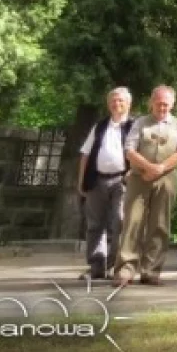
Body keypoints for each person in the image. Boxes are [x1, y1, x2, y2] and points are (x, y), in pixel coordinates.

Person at [113, 86, 177, 287]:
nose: (162, 107)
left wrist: (161, 167)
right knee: (132, 223)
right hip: (139, 177)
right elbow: (129, 149)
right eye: (159, 103)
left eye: (166, 104)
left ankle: (151, 271)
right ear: (151, 103)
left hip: (166, 179)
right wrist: (147, 167)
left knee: (160, 224)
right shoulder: (140, 123)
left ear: (172, 104)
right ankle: (125, 271)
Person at [77, 87, 133, 280]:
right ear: (108, 104)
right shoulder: (100, 126)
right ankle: (96, 266)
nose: (116, 104)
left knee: (119, 221)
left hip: (122, 180)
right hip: (97, 178)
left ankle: (115, 266)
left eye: (120, 101)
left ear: (128, 103)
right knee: (94, 224)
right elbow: (85, 154)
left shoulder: (134, 126)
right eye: (113, 101)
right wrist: (81, 181)